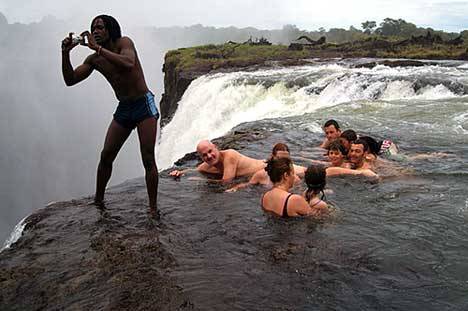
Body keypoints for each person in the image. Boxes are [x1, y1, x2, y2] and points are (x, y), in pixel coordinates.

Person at [61, 15, 159, 211]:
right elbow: (70, 80)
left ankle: (153, 209)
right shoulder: (95, 59)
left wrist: (97, 48)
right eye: (93, 28)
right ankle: (98, 201)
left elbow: (128, 63)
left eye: (100, 27)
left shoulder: (124, 42)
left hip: (143, 105)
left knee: (147, 157)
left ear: (111, 29)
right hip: (124, 108)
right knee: (106, 155)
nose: (96, 31)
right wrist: (65, 53)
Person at [169, 140, 265, 182]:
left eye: (210, 151)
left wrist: (202, 180)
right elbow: (194, 170)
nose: (209, 156)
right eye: (204, 155)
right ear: (202, 158)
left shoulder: (230, 156)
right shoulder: (205, 166)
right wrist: (179, 172)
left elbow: (226, 182)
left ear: (216, 147)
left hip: (266, 168)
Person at [225, 142, 305, 192]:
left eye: (285, 159)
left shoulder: (294, 178)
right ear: (272, 157)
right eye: (279, 158)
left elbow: (299, 193)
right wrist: (235, 188)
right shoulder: (261, 175)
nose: (283, 161)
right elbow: (248, 184)